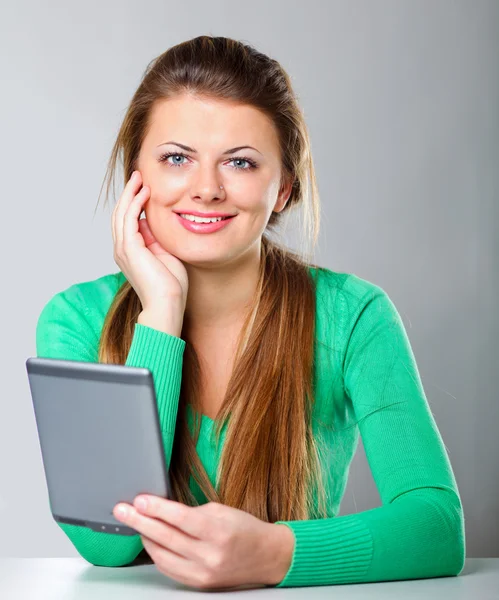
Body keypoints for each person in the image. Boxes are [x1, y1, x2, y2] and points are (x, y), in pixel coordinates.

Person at [36, 35, 465, 590]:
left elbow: (437, 529)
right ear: (135, 175)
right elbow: (106, 544)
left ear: (283, 188)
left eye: (239, 162)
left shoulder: (354, 315)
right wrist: (162, 312)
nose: (207, 189)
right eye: (176, 158)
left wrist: (275, 554)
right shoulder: (73, 318)